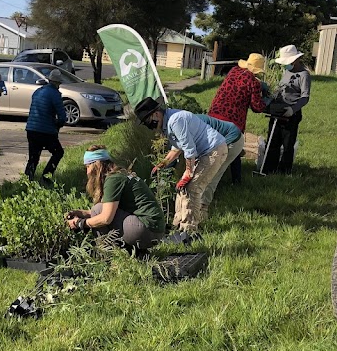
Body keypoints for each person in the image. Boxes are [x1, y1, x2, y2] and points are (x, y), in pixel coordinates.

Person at [135, 96, 228, 239]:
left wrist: (188, 173)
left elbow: (189, 150)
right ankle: (177, 225)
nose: (149, 125)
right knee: (181, 188)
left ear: (156, 114)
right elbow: (177, 147)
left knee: (192, 188)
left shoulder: (176, 120)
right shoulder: (168, 122)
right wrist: (163, 163)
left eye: (148, 121)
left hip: (213, 150)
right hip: (203, 152)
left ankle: (189, 231)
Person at [65, 145, 166, 252]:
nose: (87, 172)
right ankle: (136, 253)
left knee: (97, 209)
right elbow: (108, 209)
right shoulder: (119, 174)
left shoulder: (113, 179)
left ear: (96, 165)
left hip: (147, 229)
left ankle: (108, 254)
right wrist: (81, 213)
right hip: (154, 229)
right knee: (98, 209)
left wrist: (81, 223)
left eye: (87, 166)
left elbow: (105, 218)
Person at [207, 52, 270, 183]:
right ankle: (235, 180)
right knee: (234, 148)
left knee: (212, 145)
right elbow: (257, 107)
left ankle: (213, 174)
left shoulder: (234, 71)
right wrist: (267, 99)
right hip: (232, 120)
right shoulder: (253, 82)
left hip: (214, 113)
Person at [264, 44, 311, 174]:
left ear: (295, 60)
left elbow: (305, 97)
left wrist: (293, 109)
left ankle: (284, 171)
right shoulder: (286, 71)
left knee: (287, 144)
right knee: (273, 141)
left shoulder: (304, 75)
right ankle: (269, 169)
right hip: (278, 111)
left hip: (291, 114)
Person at [24, 70, 66, 184]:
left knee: (33, 157)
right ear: (58, 83)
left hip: (31, 129)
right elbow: (62, 116)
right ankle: (46, 178)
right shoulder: (55, 94)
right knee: (58, 153)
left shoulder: (38, 91)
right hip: (46, 131)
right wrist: (59, 123)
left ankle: (27, 181)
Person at [196, 113, 245, 204]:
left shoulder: (188, 126)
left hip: (232, 139)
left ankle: (202, 206)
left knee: (212, 172)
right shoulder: (181, 123)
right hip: (219, 138)